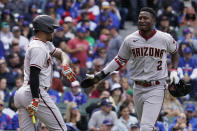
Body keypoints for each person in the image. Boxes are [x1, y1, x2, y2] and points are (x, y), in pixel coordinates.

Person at [81, 7, 179, 131]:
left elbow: (175, 52)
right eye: (140, 18)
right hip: (137, 87)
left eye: (145, 18)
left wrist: (174, 70)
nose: (142, 20)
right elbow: (119, 60)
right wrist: (100, 75)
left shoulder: (164, 38)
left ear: (153, 20)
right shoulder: (130, 39)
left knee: (146, 127)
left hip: (157, 87)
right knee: (145, 124)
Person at [14, 15, 76, 131]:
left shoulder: (44, 44)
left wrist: (64, 64)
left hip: (23, 93)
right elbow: (34, 74)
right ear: (45, 29)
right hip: (34, 92)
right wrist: (36, 98)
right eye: (52, 29)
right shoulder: (38, 48)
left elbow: (62, 54)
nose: (53, 32)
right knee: (61, 129)